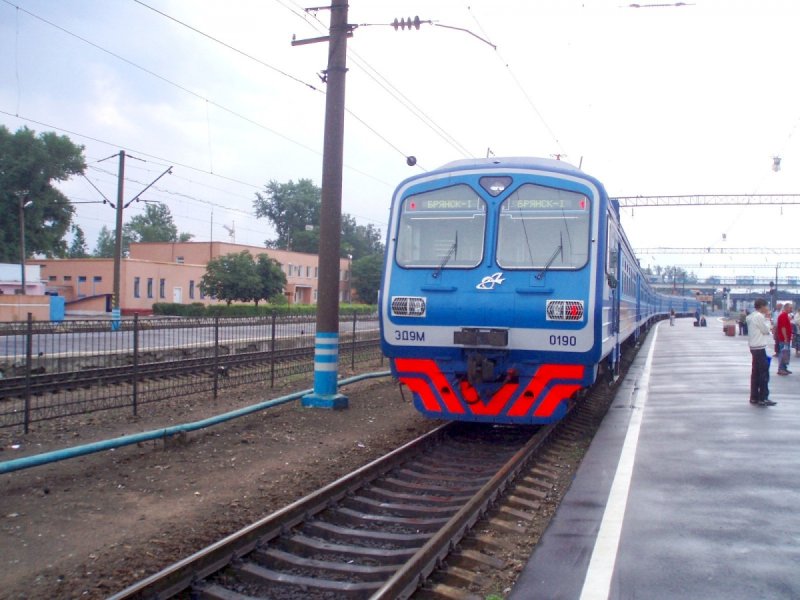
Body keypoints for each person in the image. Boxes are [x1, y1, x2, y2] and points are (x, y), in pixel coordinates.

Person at [746, 299, 775, 406]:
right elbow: (766, 330)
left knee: (755, 373)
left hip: (753, 346)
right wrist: (767, 319)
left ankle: (754, 397)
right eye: (766, 306)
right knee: (764, 373)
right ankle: (763, 397)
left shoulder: (751, 316)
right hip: (759, 347)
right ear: (762, 306)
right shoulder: (759, 316)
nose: (767, 308)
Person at [776, 302, 793, 375]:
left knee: (786, 354)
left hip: (786, 338)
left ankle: (784, 368)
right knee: (783, 354)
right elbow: (783, 327)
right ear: (786, 308)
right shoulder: (783, 316)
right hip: (784, 339)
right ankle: (781, 369)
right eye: (790, 308)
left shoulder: (786, 315)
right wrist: (785, 337)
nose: (791, 309)